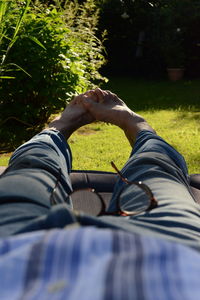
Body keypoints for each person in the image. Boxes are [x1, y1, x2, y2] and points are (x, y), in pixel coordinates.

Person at [0, 88, 200, 300]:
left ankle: (57, 129)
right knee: (156, 167)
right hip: (176, 249)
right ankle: (137, 126)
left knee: (34, 164)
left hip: (11, 242)